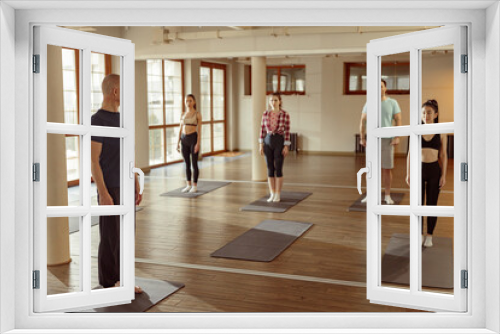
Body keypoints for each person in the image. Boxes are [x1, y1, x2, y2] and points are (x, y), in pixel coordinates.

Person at [91, 74, 143, 293]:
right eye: (124, 89)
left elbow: (127, 154)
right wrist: (103, 193)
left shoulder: (123, 120)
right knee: (111, 236)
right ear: (114, 91)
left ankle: (124, 279)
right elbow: (93, 160)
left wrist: (136, 180)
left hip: (126, 183)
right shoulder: (97, 120)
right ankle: (109, 281)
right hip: (110, 187)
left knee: (125, 235)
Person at [406, 100, 447, 247]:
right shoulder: (416, 130)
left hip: (434, 171)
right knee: (417, 205)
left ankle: (429, 235)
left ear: (435, 114)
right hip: (418, 170)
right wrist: (408, 173)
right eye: (423, 112)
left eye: (429, 112)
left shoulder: (441, 131)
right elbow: (410, 153)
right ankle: (418, 234)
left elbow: (443, 155)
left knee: (431, 204)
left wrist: (443, 175)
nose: (426, 115)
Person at [359, 79, 402, 204]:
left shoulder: (392, 102)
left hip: (387, 140)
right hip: (372, 140)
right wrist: (362, 138)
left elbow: (398, 120)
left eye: (381, 86)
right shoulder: (369, 103)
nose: (380, 89)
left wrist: (397, 136)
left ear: (385, 88)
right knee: (371, 169)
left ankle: (387, 195)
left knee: (387, 169)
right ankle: (370, 194)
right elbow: (362, 121)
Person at [259, 93, 291, 203]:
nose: (273, 102)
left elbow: (287, 131)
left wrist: (286, 146)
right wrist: (260, 144)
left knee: (278, 168)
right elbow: (262, 129)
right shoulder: (265, 114)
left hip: (279, 141)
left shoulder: (285, 114)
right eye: (271, 100)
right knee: (269, 168)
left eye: (276, 100)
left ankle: (278, 194)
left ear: (280, 101)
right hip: (267, 141)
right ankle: (272, 193)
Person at [176, 94, 202, 193]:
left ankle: (194, 185)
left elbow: (199, 131)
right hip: (184, 139)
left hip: (193, 139)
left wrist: (198, 143)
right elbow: (180, 129)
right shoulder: (182, 114)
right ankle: (188, 184)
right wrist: (177, 142)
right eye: (186, 101)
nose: (188, 103)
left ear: (194, 102)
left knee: (194, 163)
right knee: (187, 164)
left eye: (190, 101)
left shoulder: (197, 114)